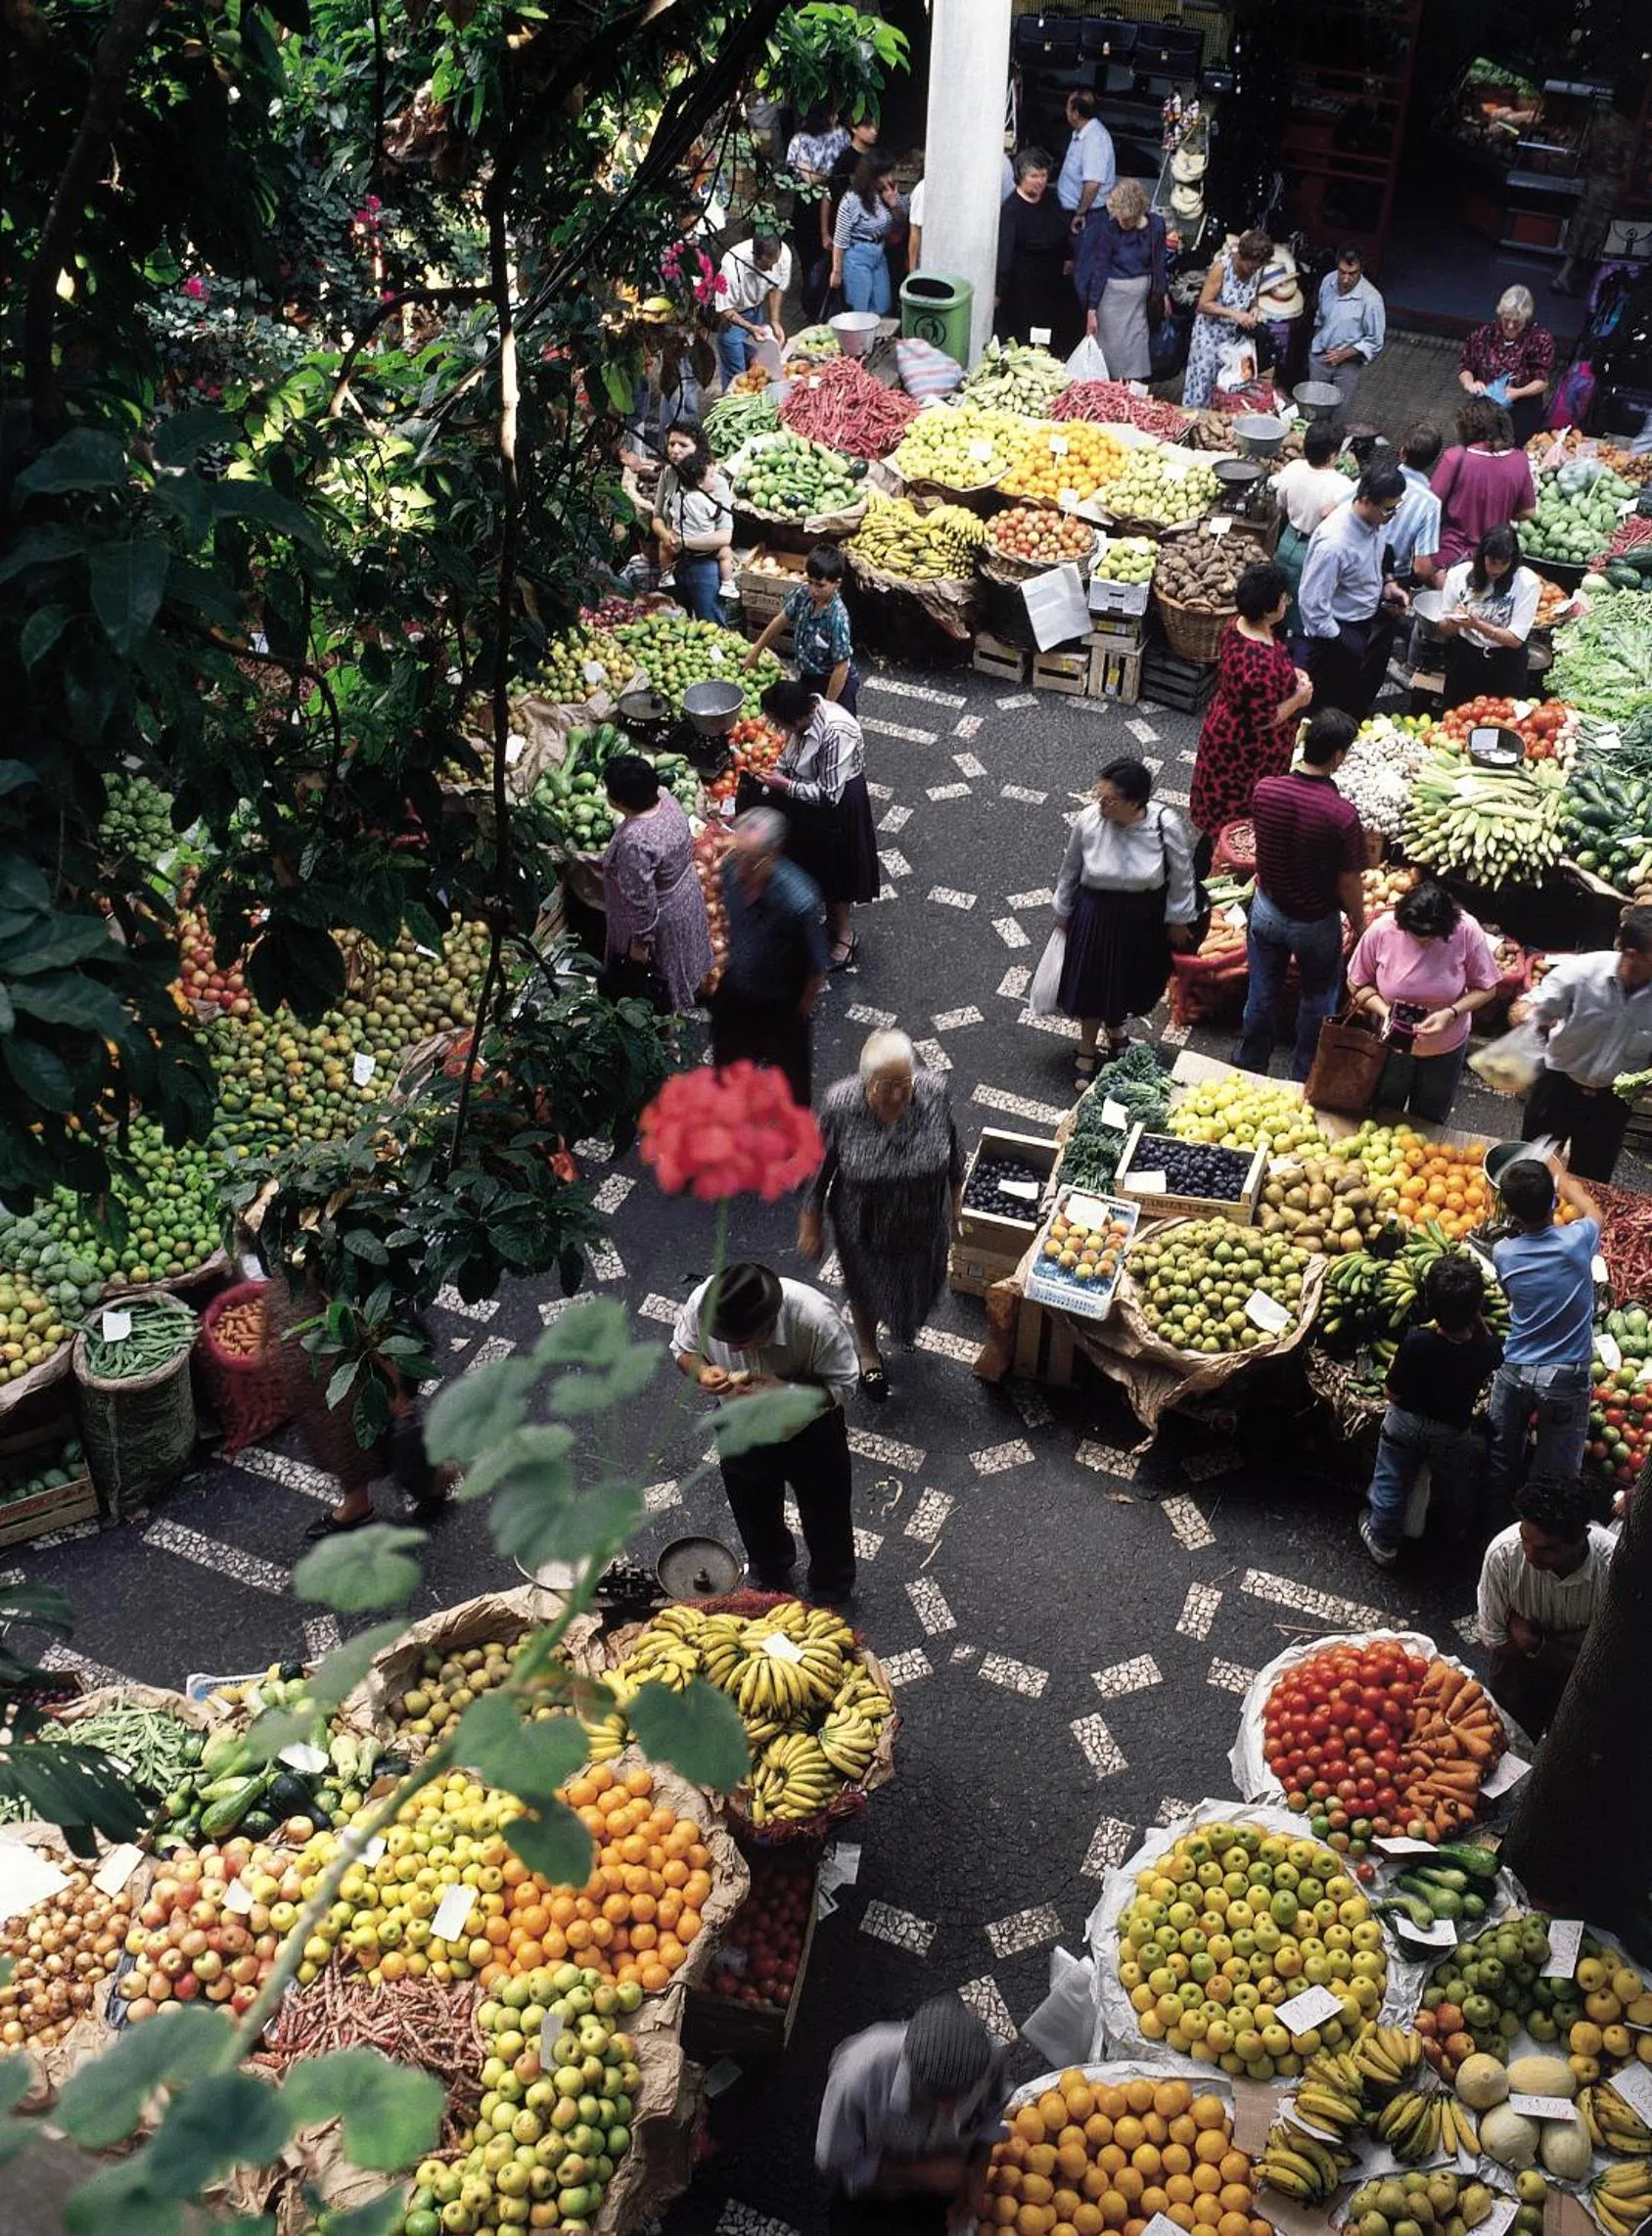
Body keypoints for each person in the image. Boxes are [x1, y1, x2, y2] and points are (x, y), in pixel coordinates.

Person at [672, 1261, 858, 1602]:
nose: (736, 1350)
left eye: (743, 1340)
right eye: (727, 1341)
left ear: (770, 1319)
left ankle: (832, 1586)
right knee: (752, 1508)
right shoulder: (704, 1304)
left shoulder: (814, 1318)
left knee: (826, 1513)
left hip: (810, 1433)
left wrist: (786, 1393)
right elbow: (682, 1350)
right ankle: (771, 1570)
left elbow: (845, 1382)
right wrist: (702, 1371)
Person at [800, 1030, 964, 1400]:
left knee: (919, 1286)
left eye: (903, 1083)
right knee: (866, 1289)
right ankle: (868, 1351)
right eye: (885, 1086)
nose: (896, 1095)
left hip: (923, 1222)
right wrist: (811, 1220)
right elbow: (818, 1167)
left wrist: (957, 1200)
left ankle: (904, 1323)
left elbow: (954, 1150)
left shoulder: (935, 1093)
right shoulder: (841, 1105)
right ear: (865, 1081)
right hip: (865, 1225)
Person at [1234, 709, 1365, 1081]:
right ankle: (1304, 1074)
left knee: (1261, 992)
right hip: (1314, 923)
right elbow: (1348, 883)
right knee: (1317, 1000)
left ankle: (1250, 1063)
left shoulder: (1266, 790)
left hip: (1267, 910)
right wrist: (1359, 921)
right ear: (1338, 756)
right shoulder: (1341, 816)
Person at [1052, 756, 1198, 1086]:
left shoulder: (1164, 823)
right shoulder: (1089, 820)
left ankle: (1116, 1028)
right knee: (1092, 983)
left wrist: (1178, 918)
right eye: (1099, 796)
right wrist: (1062, 913)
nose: (1101, 805)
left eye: (1110, 800)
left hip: (1142, 916)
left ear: (1135, 803)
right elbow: (1070, 870)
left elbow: (1181, 875)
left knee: (1127, 980)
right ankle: (1086, 1049)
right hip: (1096, 912)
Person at [816, 1993, 1011, 2236]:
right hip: (873, 2197)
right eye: (931, 2100)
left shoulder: (987, 2061)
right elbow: (837, 2163)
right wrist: (917, 2172)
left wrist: (977, 2176)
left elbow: (991, 2116)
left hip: (943, 2194)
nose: (947, 2113)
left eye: (958, 2099)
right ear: (908, 2067)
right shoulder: (858, 2077)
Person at [1358, 1255, 1503, 1568]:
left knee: (1391, 1479)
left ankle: (1383, 1542)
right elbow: (1489, 1342)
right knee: (1454, 1483)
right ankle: (1454, 1532)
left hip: (1405, 1426)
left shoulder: (1416, 1342)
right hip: (1451, 1431)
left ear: (1427, 1303)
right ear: (1478, 1307)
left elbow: (1391, 1392)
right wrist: (1476, 1318)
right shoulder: (1489, 1350)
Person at [1488, 1155, 1601, 1511]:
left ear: (1510, 1212)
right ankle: (1542, 1518)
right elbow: (1595, 1213)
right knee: (1556, 1468)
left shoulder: (1504, 1253)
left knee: (1501, 1453)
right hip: (1565, 1376)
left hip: (1516, 1369)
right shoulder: (1577, 1241)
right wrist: (1564, 1179)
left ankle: (1491, 1520)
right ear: (1554, 1202)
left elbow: (1512, 1298)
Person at [1511, 910, 1652, 1181]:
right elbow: (1527, 1007)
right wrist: (1525, 1013)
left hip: (1612, 1101)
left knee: (1591, 1181)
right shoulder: (1581, 974)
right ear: (1630, 951)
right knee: (1530, 1173)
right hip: (1558, 1087)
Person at [1189, 560, 1313, 867]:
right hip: (1245, 756)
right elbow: (1264, 718)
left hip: (1225, 729)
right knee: (1233, 824)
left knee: (1221, 822)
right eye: (1284, 597)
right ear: (1269, 609)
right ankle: (1210, 877)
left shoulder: (1238, 626)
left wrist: (1289, 674)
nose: (1287, 601)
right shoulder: (1256, 661)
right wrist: (1298, 699)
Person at [1347, 880, 1502, 1120]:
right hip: (1391, 1044)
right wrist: (1386, 1011)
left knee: (1431, 1120)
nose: (1422, 941)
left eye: (1430, 937)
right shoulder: (1382, 930)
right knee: (1383, 1114)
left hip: (1446, 1046)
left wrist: (1451, 1012)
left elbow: (1487, 987)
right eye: (1415, 934)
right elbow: (1356, 982)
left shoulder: (1467, 931)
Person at [1476, 1472, 1614, 1739]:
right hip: (1516, 1676)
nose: (1529, 1554)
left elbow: (1610, 1652)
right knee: (1506, 1743)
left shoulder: (1611, 1567)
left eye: (1546, 1549)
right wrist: (1574, 1644)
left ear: (1580, 1538)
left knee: (1571, 1747)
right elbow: (1495, 1639)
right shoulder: (1503, 1556)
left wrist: (1534, 1644)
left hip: (1579, 1685)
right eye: (1525, 1539)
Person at [756, 677, 881, 971]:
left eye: (779, 723)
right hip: (808, 797)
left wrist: (783, 784)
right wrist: (778, 774)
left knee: (837, 873)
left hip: (839, 804)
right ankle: (830, 924)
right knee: (817, 867)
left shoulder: (836, 731)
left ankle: (844, 937)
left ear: (796, 718)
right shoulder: (802, 722)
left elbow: (828, 794)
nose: (778, 730)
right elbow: (790, 755)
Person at [710, 806, 829, 1106]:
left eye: (750, 862)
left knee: (791, 1084)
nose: (739, 869)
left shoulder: (799, 901)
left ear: (773, 856)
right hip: (735, 996)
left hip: (781, 1006)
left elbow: (817, 967)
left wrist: (799, 1011)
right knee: (728, 1073)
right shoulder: (730, 872)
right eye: (737, 857)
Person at [598, 753, 714, 1014]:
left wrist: (640, 943)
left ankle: (663, 1034)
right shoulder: (667, 799)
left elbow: (641, 899)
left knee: (657, 981)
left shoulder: (636, 841)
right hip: (686, 896)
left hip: (663, 916)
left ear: (620, 800)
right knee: (683, 959)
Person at [1297, 462, 1410, 722]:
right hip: (1334, 639)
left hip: (1363, 625)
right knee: (1323, 712)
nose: (1392, 515)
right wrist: (1340, 639)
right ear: (1367, 500)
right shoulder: (1334, 544)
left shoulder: (1375, 524)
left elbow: (1376, 560)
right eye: (1388, 509)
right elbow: (1312, 604)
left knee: (1351, 700)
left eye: (1396, 507)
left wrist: (1387, 586)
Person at [1437, 524, 1541, 707]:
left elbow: (1515, 639)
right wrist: (1455, 620)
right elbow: (1444, 629)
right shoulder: (1459, 576)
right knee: (1458, 715)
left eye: (1504, 563)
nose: (1497, 569)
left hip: (1506, 663)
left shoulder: (1527, 583)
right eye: (1492, 561)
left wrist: (1477, 625)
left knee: (1500, 721)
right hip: (1467, 658)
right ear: (1482, 556)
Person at [747, 541, 858, 710]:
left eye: (820, 585)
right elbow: (781, 620)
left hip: (834, 683)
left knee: (834, 729)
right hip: (809, 675)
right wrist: (755, 651)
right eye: (810, 582)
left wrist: (827, 707)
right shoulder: (804, 595)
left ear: (837, 583)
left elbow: (841, 667)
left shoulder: (837, 617)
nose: (813, 590)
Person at [1431, 398, 1537, 570]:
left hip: (1451, 555)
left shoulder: (1455, 457)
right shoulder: (1520, 460)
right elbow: (1528, 511)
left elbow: (1431, 505)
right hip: (1493, 561)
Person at [1079, 179, 1169, 383]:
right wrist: (1092, 308)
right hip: (1111, 298)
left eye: (1126, 220)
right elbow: (1100, 268)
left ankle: (1133, 387)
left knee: (1136, 344)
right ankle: (1107, 385)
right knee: (1109, 347)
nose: (1122, 223)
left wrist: (1162, 292)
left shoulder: (1155, 225)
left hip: (1139, 297)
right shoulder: (1108, 229)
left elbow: (1159, 261)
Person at [1180, 228, 1273, 411]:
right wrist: (1235, 314)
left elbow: (1253, 297)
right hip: (1209, 337)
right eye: (1251, 266)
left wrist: (1254, 308)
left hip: (1234, 341)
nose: (1253, 270)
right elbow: (1204, 304)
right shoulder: (1222, 268)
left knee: (1227, 389)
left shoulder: (1257, 271)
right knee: (1202, 389)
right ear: (1242, 256)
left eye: (1258, 267)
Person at [1556, 94, 1636, 297]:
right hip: (1612, 186)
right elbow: (1629, 165)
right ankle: (1587, 278)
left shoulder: (1598, 124)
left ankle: (1565, 273)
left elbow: (1584, 150)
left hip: (1593, 181)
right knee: (1599, 231)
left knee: (1581, 224)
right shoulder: (1628, 132)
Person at [650, 429, 735, 621]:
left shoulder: (715, 482)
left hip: (705, 563)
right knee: (676, 621)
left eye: (683, 445)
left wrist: (684, 541)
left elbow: (724, 536)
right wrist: (666, 535)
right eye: (671, 444)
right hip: (673, 561)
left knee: (710, 623)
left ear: (698, 450)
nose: (675, 450)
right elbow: (656, 517)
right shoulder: (668, 474)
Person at [1271, 421, 1349, 630]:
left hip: (1287, 541)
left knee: (1277, 598)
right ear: (1333, 455)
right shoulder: (1342, 486)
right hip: (1313, 549)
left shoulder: (1292, 469)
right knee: (1301, 605)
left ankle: (1274, 636)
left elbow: (1282, 506)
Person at [1458, 287, 1556, 446]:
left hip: (1521, 409)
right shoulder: (1484, 334)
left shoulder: (1540, 339)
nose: (1510, 326)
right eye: (1506, 320)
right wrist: (1470, 384)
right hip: (1485, 407)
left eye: (1516, 322)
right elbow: (1465, 366)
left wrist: (1517, 392)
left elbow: (1542, 380)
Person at [995, 149, 1073, 348]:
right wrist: (999, 290)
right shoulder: (1011, 211)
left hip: (1052, 283)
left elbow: (1063, 230)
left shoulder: (1051, 198)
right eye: (1034, 176)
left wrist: (1069, 257)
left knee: (1049, 336)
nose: (1040, 181)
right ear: (1020, 177)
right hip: (1024, 288)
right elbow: (1005, 255)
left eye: (1044, 175)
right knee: (1026, 337)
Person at [788, 105, 851, 315]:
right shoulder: (801, 140)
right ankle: (814, 304)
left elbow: (815, 175)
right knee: (811, 254)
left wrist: (824, 173)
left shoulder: (840, 134)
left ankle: (822, 303)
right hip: (810, 203)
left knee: (826, 254)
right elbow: (810, 178)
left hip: (829, 199)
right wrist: (834, 171)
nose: (836, 116)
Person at [1308, 246, 1387, 414]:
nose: (1345, 279)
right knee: (1314, 410)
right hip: (1320, 356)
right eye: (1342, 272)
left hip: (1347, 365)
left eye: (1352, 274)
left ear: (1361, 270)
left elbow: (1375, 341)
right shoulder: (1328, 282)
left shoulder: (1371, 300)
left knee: (1339, 411)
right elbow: (1320, 317)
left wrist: (1344, 354)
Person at [831, 153, 903, 316]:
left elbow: (899, 221)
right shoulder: (851, 200)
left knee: (882, 304)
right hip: (858, 256)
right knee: (860, 308)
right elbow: (840, 238)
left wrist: (893, 204)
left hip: (879, 253)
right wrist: (837, 271)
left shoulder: (882, 194)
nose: (890, 178)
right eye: (886, 174)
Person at [716, 233, 791, 388]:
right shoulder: (731, 266)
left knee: (757, 366)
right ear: (756, 256)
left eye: (774, 263)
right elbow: (725, 309)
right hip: (732, 319)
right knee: (737, 377)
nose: (771, 269)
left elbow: (777, 288)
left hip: (756, 311)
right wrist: (749, 328)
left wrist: (775, 321)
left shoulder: (784, 255)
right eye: (766, 265)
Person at [1388, 422, 1445, 590]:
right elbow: (1421, 568)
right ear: (1434, 460)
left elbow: (1330, 509)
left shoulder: (1378, 475)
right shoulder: (1430, 504)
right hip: (1396, 579)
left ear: (1402, 452)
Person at [1057, 90, 1117, 232]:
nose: (1065, 111)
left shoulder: (1094, 139)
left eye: (1067, 108)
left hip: (1087, 217)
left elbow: (1092, 185)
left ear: (1076, 113)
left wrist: (1080, 213)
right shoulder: (1082, 133)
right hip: (1073, 211)